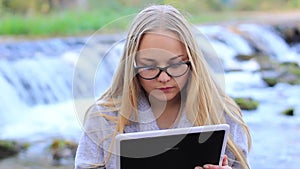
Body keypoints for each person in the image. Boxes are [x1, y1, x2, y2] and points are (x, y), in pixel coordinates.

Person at [75, 4, 252, 169]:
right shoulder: (104, 118)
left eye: (175, 65)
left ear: (192, 62)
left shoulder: (222, 114)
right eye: (149, 67)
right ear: (131, 66)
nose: (164, 78)